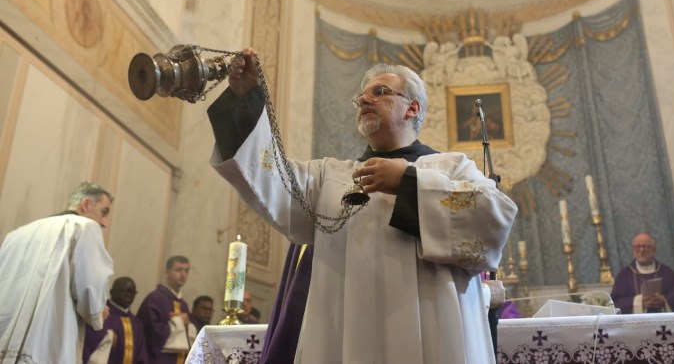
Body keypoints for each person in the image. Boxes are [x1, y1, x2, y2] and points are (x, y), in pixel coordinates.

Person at [207, 49, 517, 364]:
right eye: (361, 97)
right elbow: (268, 176)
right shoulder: (329, 176)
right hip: (345, 338)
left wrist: (407, 183)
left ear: (412, 107)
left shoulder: (450, 166)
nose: (365, 100)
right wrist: (243, 103)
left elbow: (494, 217)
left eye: (380, 92)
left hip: (433, 337)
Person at [0, 182, 114, 364]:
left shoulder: (17, 234)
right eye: (104, 212)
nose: (105, 222)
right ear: (85, 204)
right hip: (42, 350)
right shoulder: (85, 227)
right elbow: (90, 290)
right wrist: (99, 311)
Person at [610, 232, 674, 314]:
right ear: (633, 250)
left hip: (663, 322)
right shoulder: (624, 276)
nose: (641, 250)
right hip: (637, 324)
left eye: (646, 246)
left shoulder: (666, 272)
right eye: (638, 246)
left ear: (654, 250)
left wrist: (664, 300)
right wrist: (638, 301)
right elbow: (615, 303)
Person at [136, 256, 195, 363]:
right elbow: (150, 335)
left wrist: (188, 326)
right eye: (178, 270)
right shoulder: (154, 299)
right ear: (167, 272)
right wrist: (178, 322)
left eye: (186, 271)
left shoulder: (183, 304)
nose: (183, 275)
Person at [83, 277, 148, 364]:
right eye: (124, 291)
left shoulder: (137, 324)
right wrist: (107, 337)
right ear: (112, 292)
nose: (128, 295)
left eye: (131, 292)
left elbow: (141, 355)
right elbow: (88, 341)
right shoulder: (101, 314)